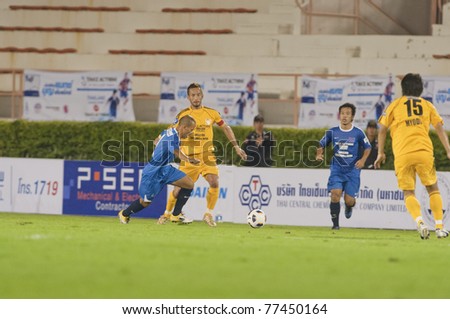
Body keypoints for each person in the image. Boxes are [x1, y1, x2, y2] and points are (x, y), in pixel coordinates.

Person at [158, 83, 247, 227]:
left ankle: (208, 214)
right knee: (177, 190)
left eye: (198, 95)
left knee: (214, 181)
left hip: (207, 155)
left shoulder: (211, 113)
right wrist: (159, 139)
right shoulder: (183, 115)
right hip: (189, 157)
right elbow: (170, 130)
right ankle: (166, 214)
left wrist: (236, 146)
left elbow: (225, 127)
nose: (196, 98)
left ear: (202, 96)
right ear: (188, 97)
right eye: (193, 95)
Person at [374, 73, 450, 239]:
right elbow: (439, 127)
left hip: (402, 154)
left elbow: (382, 129)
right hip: (423, 152)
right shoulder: (428, 105)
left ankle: (420, 222)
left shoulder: (394, 105)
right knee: (433, 188)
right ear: (421, 90)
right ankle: (439, 227)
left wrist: (380, 152)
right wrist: (448, 149)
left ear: (403, 89)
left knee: (408, 192)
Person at [118, 115, 199, 224]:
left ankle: (176, 215)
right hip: (153, 171)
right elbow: (175, 151)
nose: (191, 133)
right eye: (190, 130)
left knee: (189, 184)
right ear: (184, 127)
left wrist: (160, 147)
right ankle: (124, 214)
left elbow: (156, 141)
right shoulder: (173, 137)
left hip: (165, 168)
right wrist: (189, 159)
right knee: (145, 202)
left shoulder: (169, 132)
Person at [316, 103, 372, 230]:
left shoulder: (358, 133)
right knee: (335, 194)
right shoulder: (332, 131)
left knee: (349, 200)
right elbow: (321, 144)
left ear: (352, 117)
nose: (344, 116)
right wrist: (319, 154)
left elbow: (368, 147)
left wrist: (363, 160)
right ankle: (335, 225)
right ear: (339, 115)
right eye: (342, 113)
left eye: (347, 113)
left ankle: (349, 206)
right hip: (337, 169)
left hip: (353, 171)